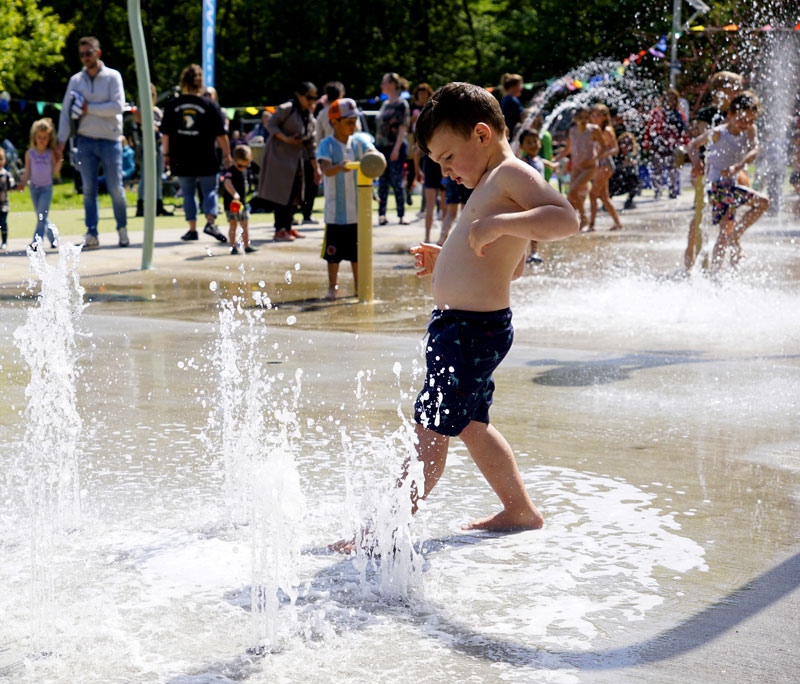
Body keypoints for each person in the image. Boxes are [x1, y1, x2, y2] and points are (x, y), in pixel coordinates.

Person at [337, 82, 578, 545]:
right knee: (470, 424)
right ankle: (519, 509)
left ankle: (383, 530)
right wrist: (447, 255)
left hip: (469, 331)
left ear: (482, 135)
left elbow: (565, 219)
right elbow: (513, 265)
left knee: (430, 432)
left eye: (448, 157)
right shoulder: (492, 183)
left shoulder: (509, 173)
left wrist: (499, 224)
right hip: (465, 328)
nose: (445, 170)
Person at [56, 36, 128, 250]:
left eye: (89, 53)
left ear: (98, 53)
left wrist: (89, 108)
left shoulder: (113, 77)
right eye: (82, 55)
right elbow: (67, 113)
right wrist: (61, 140)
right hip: (85, 140)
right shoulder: (76, 80)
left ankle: (122, 230)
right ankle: (92, 234)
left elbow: (117, 106)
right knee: (88, 189)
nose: (85, 58)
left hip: (111, 140)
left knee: (116, 188)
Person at [686, 91, 769, 273]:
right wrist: (697, 163)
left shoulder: (749, 129)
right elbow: (692, 145)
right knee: (761, 204)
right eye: (742, 119)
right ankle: (720, 265)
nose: (746, 124)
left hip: (730, 185)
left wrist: (738, 166)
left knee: (726, 230)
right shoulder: (718, 133)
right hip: (717, 187)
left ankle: (718, 270)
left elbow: (755, 149)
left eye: (750, 120)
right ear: (730, 115)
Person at [161, 64, 232, 243]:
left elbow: (166, 134)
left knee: (188, 193)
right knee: (210, 190)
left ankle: (192, 229)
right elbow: (221, 134)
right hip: (206, 154)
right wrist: (227, 155)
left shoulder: (172, 105)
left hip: (181, 155)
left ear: (183, 81)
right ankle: (210, 222)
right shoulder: (209, 105)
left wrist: (166, 155)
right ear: (200, 84)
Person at [317, 98, 377, 300]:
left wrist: (373, 154)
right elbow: (325, 169)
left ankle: (360, 287)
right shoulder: (328, 144)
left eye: (354, 122)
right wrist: (340, 166)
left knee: (357, 254)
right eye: (348, 122)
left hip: (357, 212)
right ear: (334, 122)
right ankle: (333, 286)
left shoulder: (359, 141)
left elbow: (371, 150)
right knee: (333, 254)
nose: (353, 126)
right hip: (335, 212)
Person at [684, 72, 745, 270]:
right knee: (703, 212)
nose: (740, 91)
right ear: (721, 90)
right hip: (707, 170)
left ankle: (734, 247)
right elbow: (702, 144)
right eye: (736, 86)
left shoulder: (739, 113)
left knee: (729, 211)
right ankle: (691, 249)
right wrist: (697, 164)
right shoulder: (707, 114)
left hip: (731, 170)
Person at [256, 81, 321, 242]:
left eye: (315, 97)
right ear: (299, 96)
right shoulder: (287, 109)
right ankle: (280, 229)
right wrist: (286, 138)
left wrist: (316, 169)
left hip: (296, 160)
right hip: (279, 158)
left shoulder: (309, 116)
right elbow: (270, 124)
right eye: (309, 97)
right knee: (281, 194)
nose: (312, 101)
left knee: (295, 194)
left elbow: (311, 144)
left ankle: (289, 227)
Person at [553, 106, 607, 231]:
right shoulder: (572, 130)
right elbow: (568, 149)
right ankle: (575, 220)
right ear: (575, 119)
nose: (583, 120)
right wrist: (556, 159)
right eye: (580, 117)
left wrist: (594, 159)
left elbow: (603, 147)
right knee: (572, 194)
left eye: (586, 117)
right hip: (576, 168)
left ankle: (582, 218)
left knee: (572, 191)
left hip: (590, 167)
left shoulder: (594, 130)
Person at [18, 118, 61, 249]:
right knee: (41, 216)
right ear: (34, 137)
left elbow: (55, 172)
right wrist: (22, 183)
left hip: (46, 189)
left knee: (42, 216)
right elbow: (27, 172)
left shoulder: (50, 153)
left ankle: (37, 242)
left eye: (45, 137)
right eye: (39, 137)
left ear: (49, 139)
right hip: (34, 189)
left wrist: (60, 160)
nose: (42, 140)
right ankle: (54, 238)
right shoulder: (29, 153)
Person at [375, 72, 410, 225]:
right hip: (382, 147)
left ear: (392, 85)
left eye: (384, 82)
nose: (382, 86)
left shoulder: (402, 104)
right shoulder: (385, 104)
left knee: (396, 181)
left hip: (395, 147)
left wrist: (396, 149)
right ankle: (382, 214)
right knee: (383, 182)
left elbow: (403, 128)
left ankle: (401, 215)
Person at [133, 83, 172, 217]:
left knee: (158, 177)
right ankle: (141, 205)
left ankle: (158, 204)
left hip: (158, 146)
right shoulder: (139, 110)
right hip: (145, 147)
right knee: (145, 177)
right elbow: (149, 127)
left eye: (151, 94)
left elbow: (164, 127)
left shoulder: (156, 110)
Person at [519, 129, 558, 262]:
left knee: (535, 226)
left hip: (538, 198)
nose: (532, 145)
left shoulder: (540, 159)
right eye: (528, 142)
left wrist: (556, 165)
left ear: (540, 143)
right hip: (527, 198)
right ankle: (520, 254)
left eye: (535, 141)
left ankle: (533, 252)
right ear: (522, 146)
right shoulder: (524, 160)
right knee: (525, 227)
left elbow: (551, 165)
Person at [643, 89, 688, 199]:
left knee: (673, 168)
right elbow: (649, 127)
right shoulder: (657, 111)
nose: (670, 100)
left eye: (673, 98)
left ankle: (672, 190)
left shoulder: (678, 113)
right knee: (657, 168)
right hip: (658, 144)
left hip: (673, 145)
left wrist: (686, 143)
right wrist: (647, 142)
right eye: (669, 97)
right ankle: (658, 190)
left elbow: (683, 130)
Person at [588, 104, 623, 231]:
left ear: (604, 116)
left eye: (597, 115)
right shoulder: (595, 130)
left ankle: (591, 225)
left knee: (592, 194)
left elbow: (616, 149)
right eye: (592, 115)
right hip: (599, 165)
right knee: (604, 197)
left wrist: (602, 153)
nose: (594, 118)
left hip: (605, 165)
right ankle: (618, 223)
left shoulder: (607, 130)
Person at [222, 145, 257, 255]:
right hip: (232, 203)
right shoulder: (230, 171)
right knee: (233, 225)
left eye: (246, 165)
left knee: (245, 224)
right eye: (240, 165)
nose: (243, 168)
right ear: (234, 160)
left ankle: (246, 245)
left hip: (242, 204)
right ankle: (233, 247)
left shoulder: (245, 169)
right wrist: (234, 193)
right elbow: (227, 182)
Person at [406, 83, 434, 205]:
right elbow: (405, 127)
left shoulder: (430, 107)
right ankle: (408, 191)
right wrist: (411, 121)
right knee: (412, 170)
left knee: (427, 173)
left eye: (425, 94)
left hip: (428, 142)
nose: (423, 96)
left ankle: (425, 203)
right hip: (414, 141)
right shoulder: (411, 108)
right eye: (420, 93)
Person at [609, 132, 641, 209]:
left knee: (636, 181)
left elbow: (635, 173)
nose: (626, 145)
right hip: (614, 183)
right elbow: (610, 169)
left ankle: (629, 201)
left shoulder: (634, 154)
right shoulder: (615, 154)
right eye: (624, 142)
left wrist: (632, 165)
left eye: (629, 143)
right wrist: (622, 164)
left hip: (626, 183)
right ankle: (607, 202)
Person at [500, 73, 524, 140]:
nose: (522, 88)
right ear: (513, 86)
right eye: (520, 85)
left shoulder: (507, 99)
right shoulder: (511, 100)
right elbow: (521, 117)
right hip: (513, 136)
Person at [0, 147, 16, 250]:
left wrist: (15, 186)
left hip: (3, 204)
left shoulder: (6, 174)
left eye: (1, 159)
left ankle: (4, 241)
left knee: (3, 223)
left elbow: (12, 184)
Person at [790, 130, 800, 218]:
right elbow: (796, 162)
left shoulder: (796, 148)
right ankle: (795, 215)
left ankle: (795, 215)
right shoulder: (797, 149)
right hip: (797, 175)